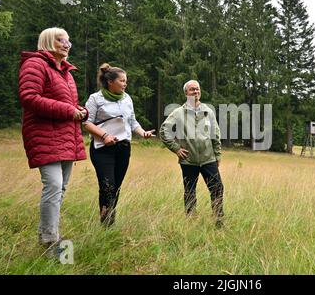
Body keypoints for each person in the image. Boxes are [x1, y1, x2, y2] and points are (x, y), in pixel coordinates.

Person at [18, 27, 88, 256]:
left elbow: (67, 103)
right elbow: (29, 98)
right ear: (48, 41)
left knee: (60, 188)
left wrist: (80, 111)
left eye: (69, 41)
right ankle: (49, 242)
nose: (67, 44)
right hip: (43, 135)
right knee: (54, 185)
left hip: (67, 136)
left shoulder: (66, 71)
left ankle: (47, 235)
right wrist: (69, 110)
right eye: (61, 40)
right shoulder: (35, 64)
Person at [83, 64, 155, 227]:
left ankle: (110, 220)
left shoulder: (126, 98)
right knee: (107, 185)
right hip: (103, 149)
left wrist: (142, 132)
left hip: (123, 149)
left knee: (115, 187)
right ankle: (106, 224)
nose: (125, 84)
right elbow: (86, 123)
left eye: (126, 81)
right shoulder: (96, 98)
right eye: (122, 81)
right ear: (110, 81)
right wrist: (104, 135)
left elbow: (132, 121)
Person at [160, 80, 224, 228]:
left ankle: (218, 220)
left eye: (197, 89)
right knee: (189, 191)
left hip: (209, 159)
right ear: (186, 93)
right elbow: (164, 130)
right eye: (192, 90)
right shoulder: (178, 113)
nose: (195, 92)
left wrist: (218, 155)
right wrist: (176, 148)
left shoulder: (208, 111)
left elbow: (216, 133)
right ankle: (190, 220)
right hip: (188, 160)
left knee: (217, 188)